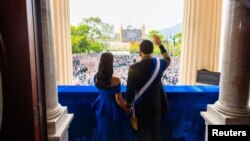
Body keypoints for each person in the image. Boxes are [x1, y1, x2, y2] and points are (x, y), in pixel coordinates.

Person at [125, 35, 171, 141]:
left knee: (144, 135)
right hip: (157, 106)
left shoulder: (133, 68)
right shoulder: (160, 64)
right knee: (156, 134)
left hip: (141, 108)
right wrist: (160, 45)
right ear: (152, 50)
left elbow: (130, 91)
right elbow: (167, 58)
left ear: (140, 51)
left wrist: (127, 105)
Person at [91, 52, 130, 141]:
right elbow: (118, 99)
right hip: (112, 109)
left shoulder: (96, 77)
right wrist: (126, 109)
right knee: (113, 133)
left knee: (102, 131)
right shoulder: (115, 80)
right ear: (111, 63)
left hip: (101, 105)